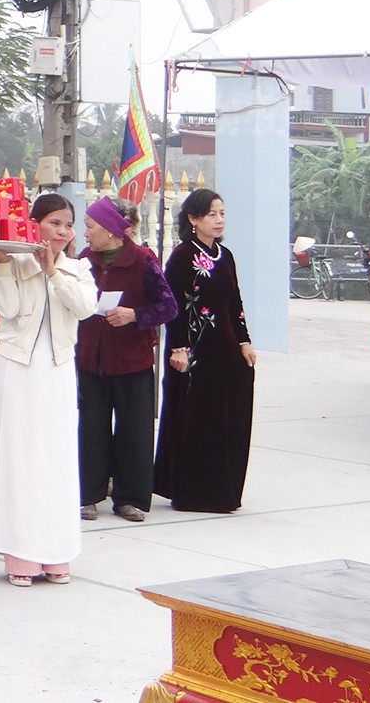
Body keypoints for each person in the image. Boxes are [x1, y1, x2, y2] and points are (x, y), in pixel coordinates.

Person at [0, 193, 98, 586]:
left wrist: (53, 273)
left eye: (67, 224)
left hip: (58, 370)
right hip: (17, 368)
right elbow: (7, 310)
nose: (62, 232)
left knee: (56, 457)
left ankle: (57, 550)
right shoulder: (13, 263)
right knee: (19, 456)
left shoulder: (78, 269)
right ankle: (20, 554)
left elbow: (84, 308)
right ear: (34, 224)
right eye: (54, 223)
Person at [154, 189, 257, 514]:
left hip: (225, 351)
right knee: (197, 420)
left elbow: (234, 303)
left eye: (222, 213)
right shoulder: (182, 256)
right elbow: (174, 307)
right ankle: (194, 492)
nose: (219, 220)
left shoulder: (225, 256)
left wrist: (244, 341)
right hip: (193, 353)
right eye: (212, 214)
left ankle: (224, 490)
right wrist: (180, 348)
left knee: (228, 418)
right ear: (193, 219)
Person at [77, 196, 177, 523]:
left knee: (135, 432)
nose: (86, 232)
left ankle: (130, 498)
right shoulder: (83, 260)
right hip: (92, 360)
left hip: (133, 361)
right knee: (91, 429)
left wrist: (134, 315)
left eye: (91, 226)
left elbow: (168, 307)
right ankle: (88, 496)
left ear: (111, 229)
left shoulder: (143, 260)